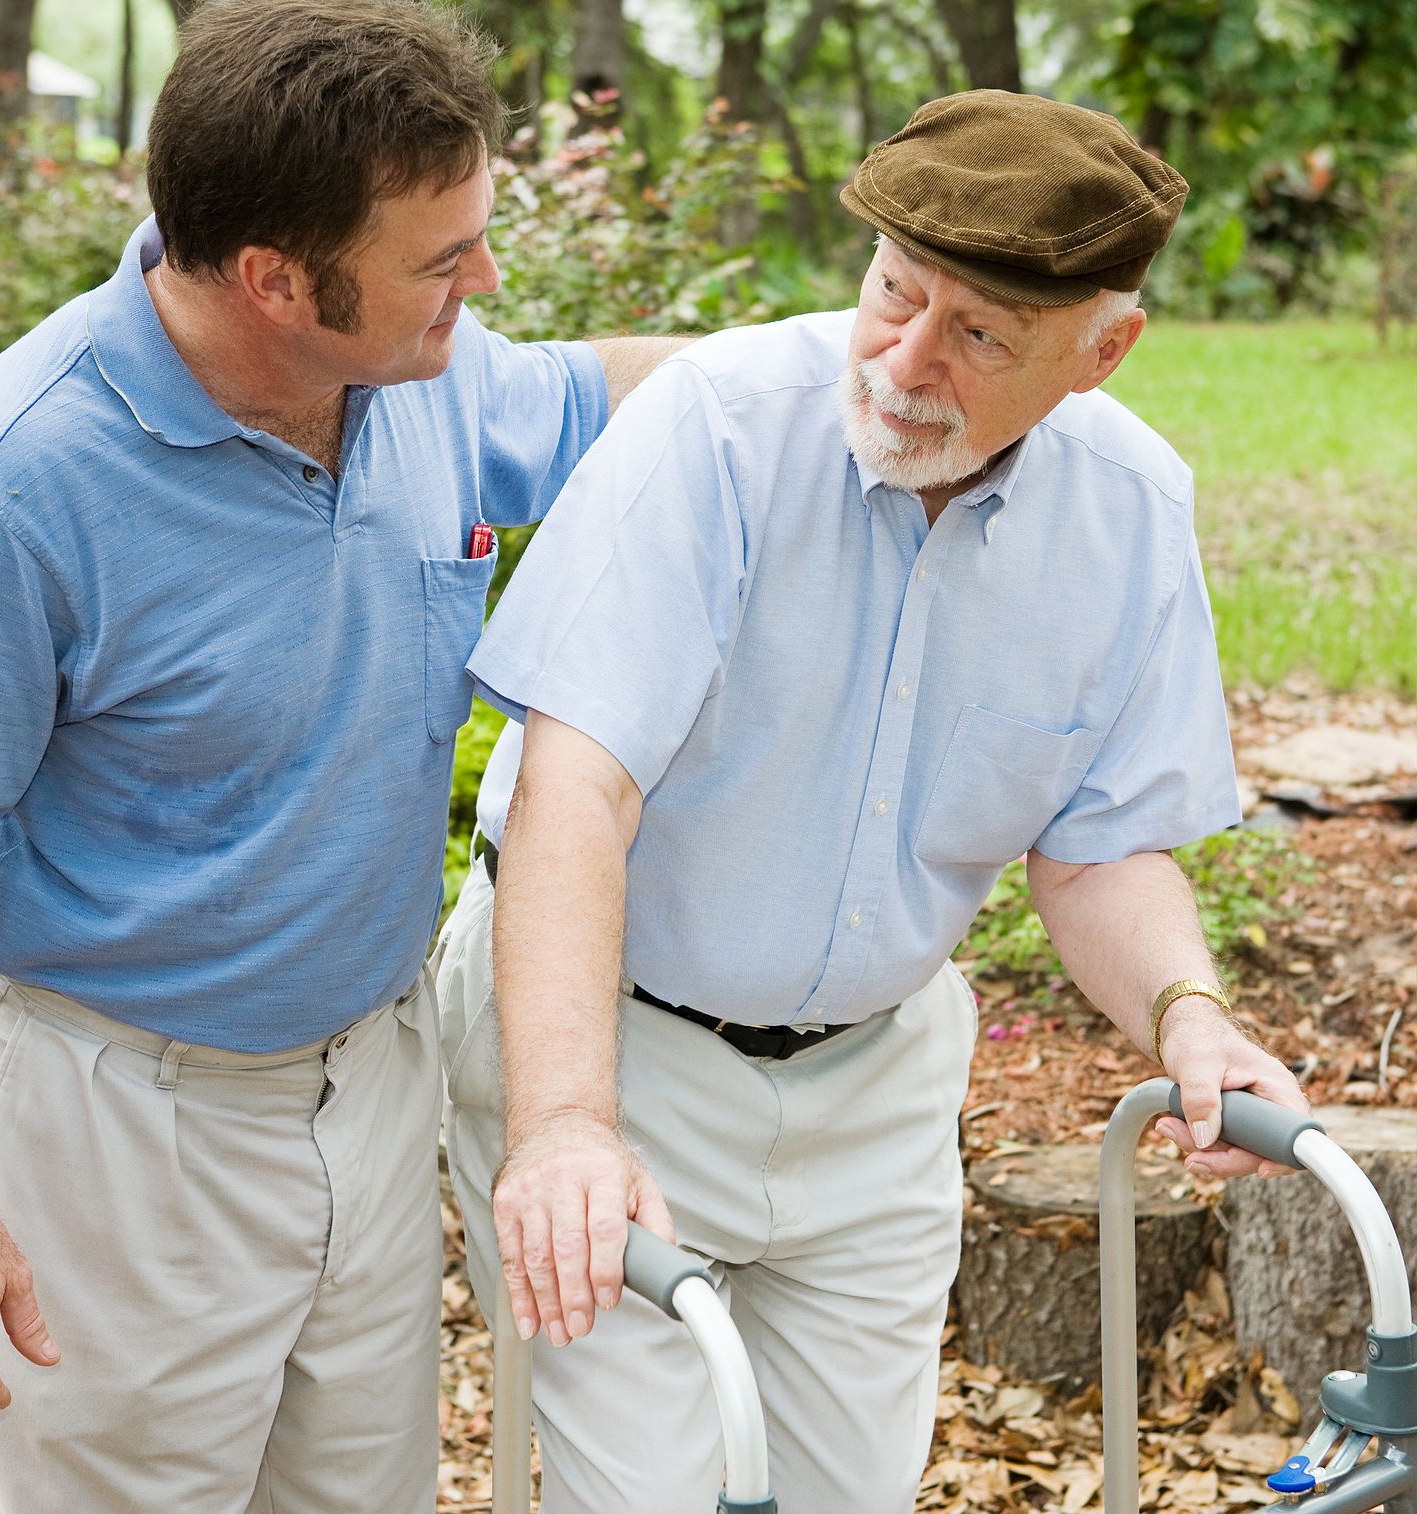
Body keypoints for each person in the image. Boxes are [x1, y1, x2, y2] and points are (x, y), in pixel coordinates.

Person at [0, 3, 684, 1510]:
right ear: (277, 279)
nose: (482, 285)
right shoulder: (13, 477)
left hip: (373, 1077)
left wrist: (879, 353)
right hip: (122, 1133)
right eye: (442, 258)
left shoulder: (429, 373)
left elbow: (619, 393)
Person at [434, 90, 1313, 1514]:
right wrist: (566, 1126)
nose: (904, 361)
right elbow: (572, 797)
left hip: (878, 1076)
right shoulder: (716, 431)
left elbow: (1097, 852)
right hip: (616, 1047)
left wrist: (1190, 1012)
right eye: (896, 293)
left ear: (1102, 350)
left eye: (979, 336)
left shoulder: (1131, 511)